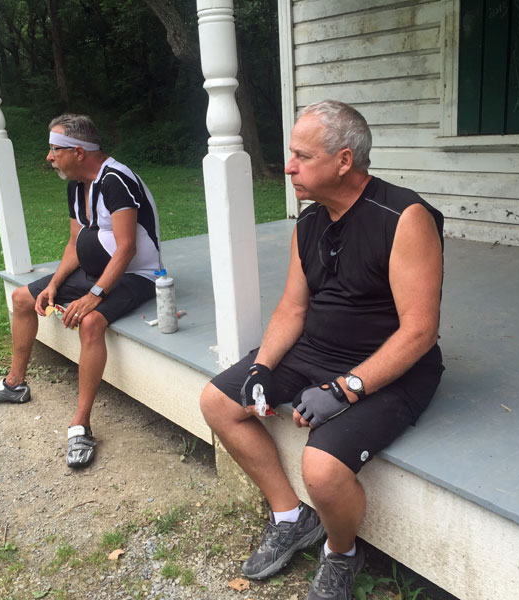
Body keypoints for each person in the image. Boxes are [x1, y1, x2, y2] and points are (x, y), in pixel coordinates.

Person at [200, 100, 444, 599]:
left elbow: (420, 331)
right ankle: (290, 517)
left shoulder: (404, 217)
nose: (289, 166)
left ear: (344, 161)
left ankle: (341, 552)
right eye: (292, 155)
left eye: (302, 156)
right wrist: (264, 365)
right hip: (316, 348)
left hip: (389, 364)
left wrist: (348, 387)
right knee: (217, 402)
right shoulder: (309, 222)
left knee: (323, 468)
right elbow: (292, 309)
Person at [0, 114, 162, 469]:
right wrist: (55, 283)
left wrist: (95, 294)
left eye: (54, 149)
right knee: (21, 298)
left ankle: (81, 424)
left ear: (78, 151)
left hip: (138, 274)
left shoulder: (115, 180)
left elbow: (126, 249)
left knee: (90, 323)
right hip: (95, 271)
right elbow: (76, 241)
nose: (48, 157)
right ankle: (15, 383)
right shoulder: (77, 184)